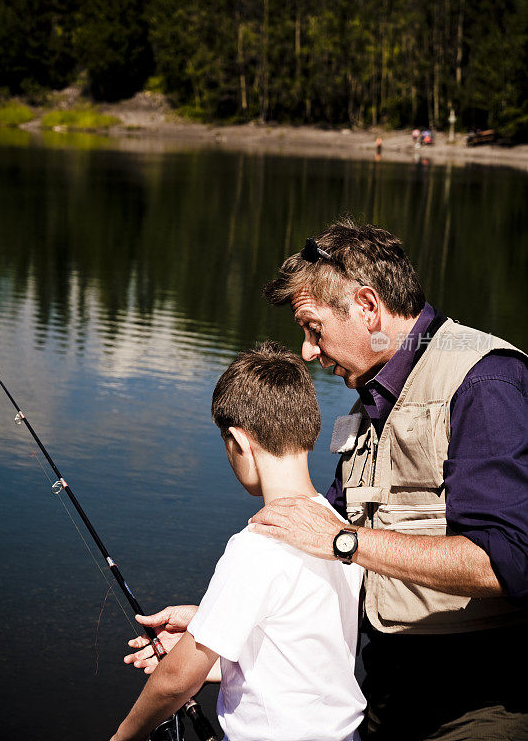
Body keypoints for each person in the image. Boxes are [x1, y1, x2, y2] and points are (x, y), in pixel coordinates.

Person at [125, 219, 528, 740]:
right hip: (387, 696)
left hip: (480, 704)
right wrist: (219, 618)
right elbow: (319, 565)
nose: (309, 352)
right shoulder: (371, 400)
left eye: (313, 328)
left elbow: (511, 561)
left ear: (367, 306)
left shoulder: (486, 381)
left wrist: (341, 540)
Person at [112, 341, 365, 741]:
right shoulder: (339, 530)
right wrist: (209, 627)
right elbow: (295, 651)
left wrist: (123, 736)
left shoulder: (257, 545)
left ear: (239, 442)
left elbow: (176, 681)